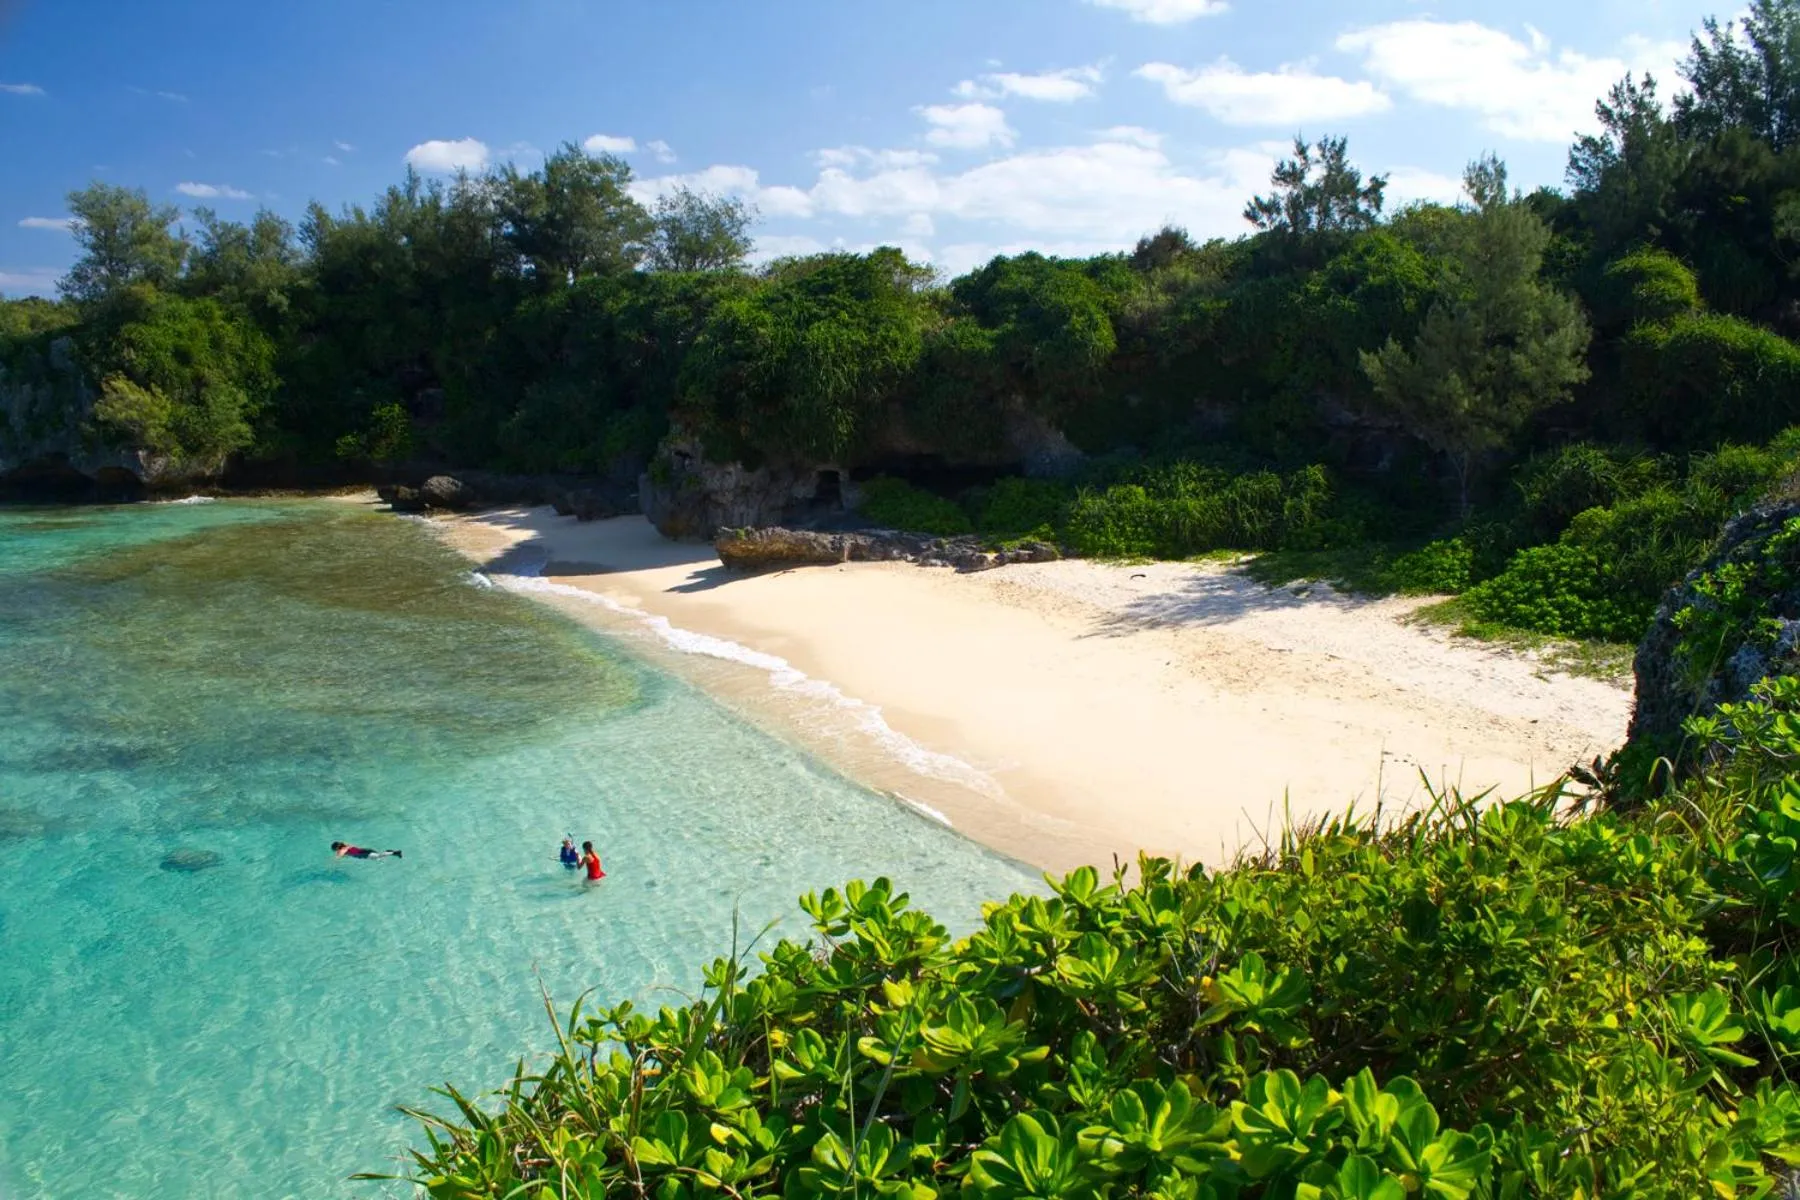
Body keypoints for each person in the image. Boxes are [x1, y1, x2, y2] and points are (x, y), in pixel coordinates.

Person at [331, 841, 401, 860]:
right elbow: (349, 852)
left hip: (364, 854)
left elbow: (339, 856)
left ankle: (394, 852)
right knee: (378, 858)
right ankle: (390, 852)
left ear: (337, 848)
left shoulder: (342, 850)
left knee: (379, 856)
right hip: (365, 850)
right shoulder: (346, 845)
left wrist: (333, 860)